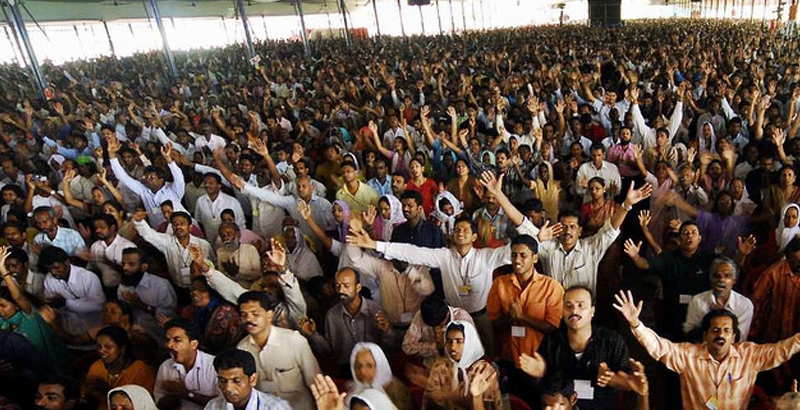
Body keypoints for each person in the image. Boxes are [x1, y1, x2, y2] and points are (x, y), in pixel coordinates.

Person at [614, 289, 800, 409]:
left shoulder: (749, 355)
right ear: (705, 336)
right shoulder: (688, 356)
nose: (721, 335)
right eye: (715, 330)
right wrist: (636, 323)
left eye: (726, 330)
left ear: (734, 337)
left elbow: (781, 350)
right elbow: (660, 348)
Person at [521, 286, 633, 410]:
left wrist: (611, 379)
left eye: (581, 305)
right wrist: (540, 374)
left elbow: (630, 383)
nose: (574, 310)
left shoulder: (611, 340)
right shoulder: (551, 341)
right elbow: (543, 389)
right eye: (568, 306)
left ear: (592, 311)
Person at [487, 235, 564, 367]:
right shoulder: (499, 284)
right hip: (509, 355)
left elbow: (553, 327)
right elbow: (494, 322)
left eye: (523, 255)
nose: (517, 260)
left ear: (535, 258)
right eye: (514, 255)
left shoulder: (551, 286)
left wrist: (523, 317)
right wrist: (510, 317)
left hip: (540, 358)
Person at [300, 267, 398, 371]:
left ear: (358, 287)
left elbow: (392, 347)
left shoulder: (375, 311)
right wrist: (313, 335)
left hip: (374, 368)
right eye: (337, 286)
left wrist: (387, 332)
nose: (341, 290)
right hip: (346, 370)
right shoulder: (332, 315)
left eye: (346, 286)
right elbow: (328, 352)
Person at [235, 291, 320, 410]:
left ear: (269, 315)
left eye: (255, 314)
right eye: (244, 315)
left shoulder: (294, 341)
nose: (249, 319)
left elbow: (316, 382)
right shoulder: (242, 349)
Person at [422, 321, 502, 409]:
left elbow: (491, 406)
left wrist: (476, 397)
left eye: (459, 341)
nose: (453, 347)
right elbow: (429, 402)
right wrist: (445, 396)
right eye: (449, 341)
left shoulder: (483, 371)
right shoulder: (440, 368)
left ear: (469, 343)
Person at [107, 136, 184, 227]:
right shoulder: (143, 190)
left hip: (180, 229)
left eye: (152, 178)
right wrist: (111, 154)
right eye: (146, 177)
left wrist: (168, 159)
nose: (148, 180)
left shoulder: (173, 190)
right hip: (157, 232)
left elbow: (178, 176)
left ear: (161, 179)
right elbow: (123, 177)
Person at [133, 210, 214, 290]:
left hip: (200, 287)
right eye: (175, 224)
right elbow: (150, 235)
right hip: (178, 286)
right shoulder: (167, 242)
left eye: (182, 224)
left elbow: (213, 265)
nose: (178, 227)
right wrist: (139, 222)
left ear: (190, 227)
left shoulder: (203, 244)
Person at [83, 325, 155, 410]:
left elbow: (142, 402)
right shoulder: (96, 366)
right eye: (99, 346)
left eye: (108, 347)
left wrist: (107, 390)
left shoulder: (139, 369)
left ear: (122, 348)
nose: (101, 350)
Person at [40, 245, 106, 337]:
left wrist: (66, 303)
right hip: (69, 331)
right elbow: (53, 308)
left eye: (56, 267)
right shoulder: (49, 280)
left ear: (67, 262)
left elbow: (99, 306)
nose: (53, 272)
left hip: (92, 331)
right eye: (49, 269)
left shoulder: (88, 277)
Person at [683, 257, 754, 341]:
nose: (721, 280)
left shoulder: (744, 304)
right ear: (710, 279)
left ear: (734, 280)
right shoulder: (698, 300)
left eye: (727, 276)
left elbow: (740, 338)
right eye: (717, 276)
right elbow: (689, 333)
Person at [154, 319, 219, 410]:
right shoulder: (165, 367)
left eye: (177, 340)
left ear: (194, 344)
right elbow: (159, 402)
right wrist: (171, 396)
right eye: (168, 340)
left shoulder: (214, 366)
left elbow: (223, 405)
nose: (169, 345)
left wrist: (186, 394)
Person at [117, 248, 177, 340]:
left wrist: (140, 304)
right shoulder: (123, 286)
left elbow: (170, 315)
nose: (125, 268)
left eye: (131, 264)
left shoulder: (160, 285)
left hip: (158, 338)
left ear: (144, 267)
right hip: (134, 338)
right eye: (123, 264)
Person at [204, 348, 291, 410]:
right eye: (222, 381)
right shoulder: (213, 406)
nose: (228, 388)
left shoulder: (276, 407)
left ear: (253, 379)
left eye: (236, 381)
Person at [179, 276, 243, 355]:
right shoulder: (193, 310)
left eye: (201, 290)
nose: (194, 293)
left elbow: (215, 344)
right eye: (193, 289)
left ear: (212, 292)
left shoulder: (224, 313)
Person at [348, 342, 413, 410]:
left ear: (380, 366)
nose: (362, 371)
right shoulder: (352, 392)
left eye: (369, 366)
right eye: (358, 366)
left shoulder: (397, 394)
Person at [89, 213, 136, 295]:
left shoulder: (127, 246)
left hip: (126, 290)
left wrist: (110, 263)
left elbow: (135, 273)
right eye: (96, 228)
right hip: (105, 289)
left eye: (102, 227)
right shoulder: (95, 246)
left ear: (112, 228)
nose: (97, 231)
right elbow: (93, 268)